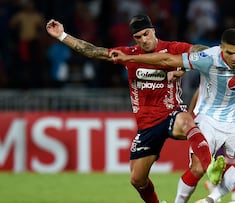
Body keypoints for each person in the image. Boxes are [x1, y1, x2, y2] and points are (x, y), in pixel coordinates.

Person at [46, 14, 217, 203]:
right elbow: (93, 51)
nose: (144, 40)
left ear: (153, 31)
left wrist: (184, 66)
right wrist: (62, 35)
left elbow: (204, 51)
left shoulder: (173, 49)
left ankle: (212, 167)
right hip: (147, 126)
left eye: (146, 34)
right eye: (138, 37)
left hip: (171, 113)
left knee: (186, 120)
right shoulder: (129, 54)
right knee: (137, 179)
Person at [109, 28, 235, 203]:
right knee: (197, 169)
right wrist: (130, 58)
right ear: (222, 49)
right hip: (208, 120)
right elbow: (166, 60)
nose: (234, 58)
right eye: (229, 53)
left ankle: (212, 198)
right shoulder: (208, 58)